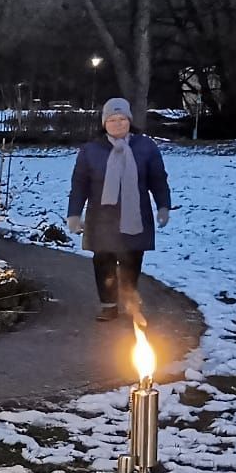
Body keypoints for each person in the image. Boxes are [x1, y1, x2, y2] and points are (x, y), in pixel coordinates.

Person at [67, 98, 171, 324]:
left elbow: (158, 178)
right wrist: (74, 214)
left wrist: (163, 205)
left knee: (132, 259)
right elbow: (80, 184)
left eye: (122, 119)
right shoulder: (91, 150)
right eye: (112, 119)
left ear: (129, 121)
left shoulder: (145, 146)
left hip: (135, 215)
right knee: (103, 260)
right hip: (102, 217)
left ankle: (131, 302)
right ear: (104, 122)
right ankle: (108, 306)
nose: (117, 123)